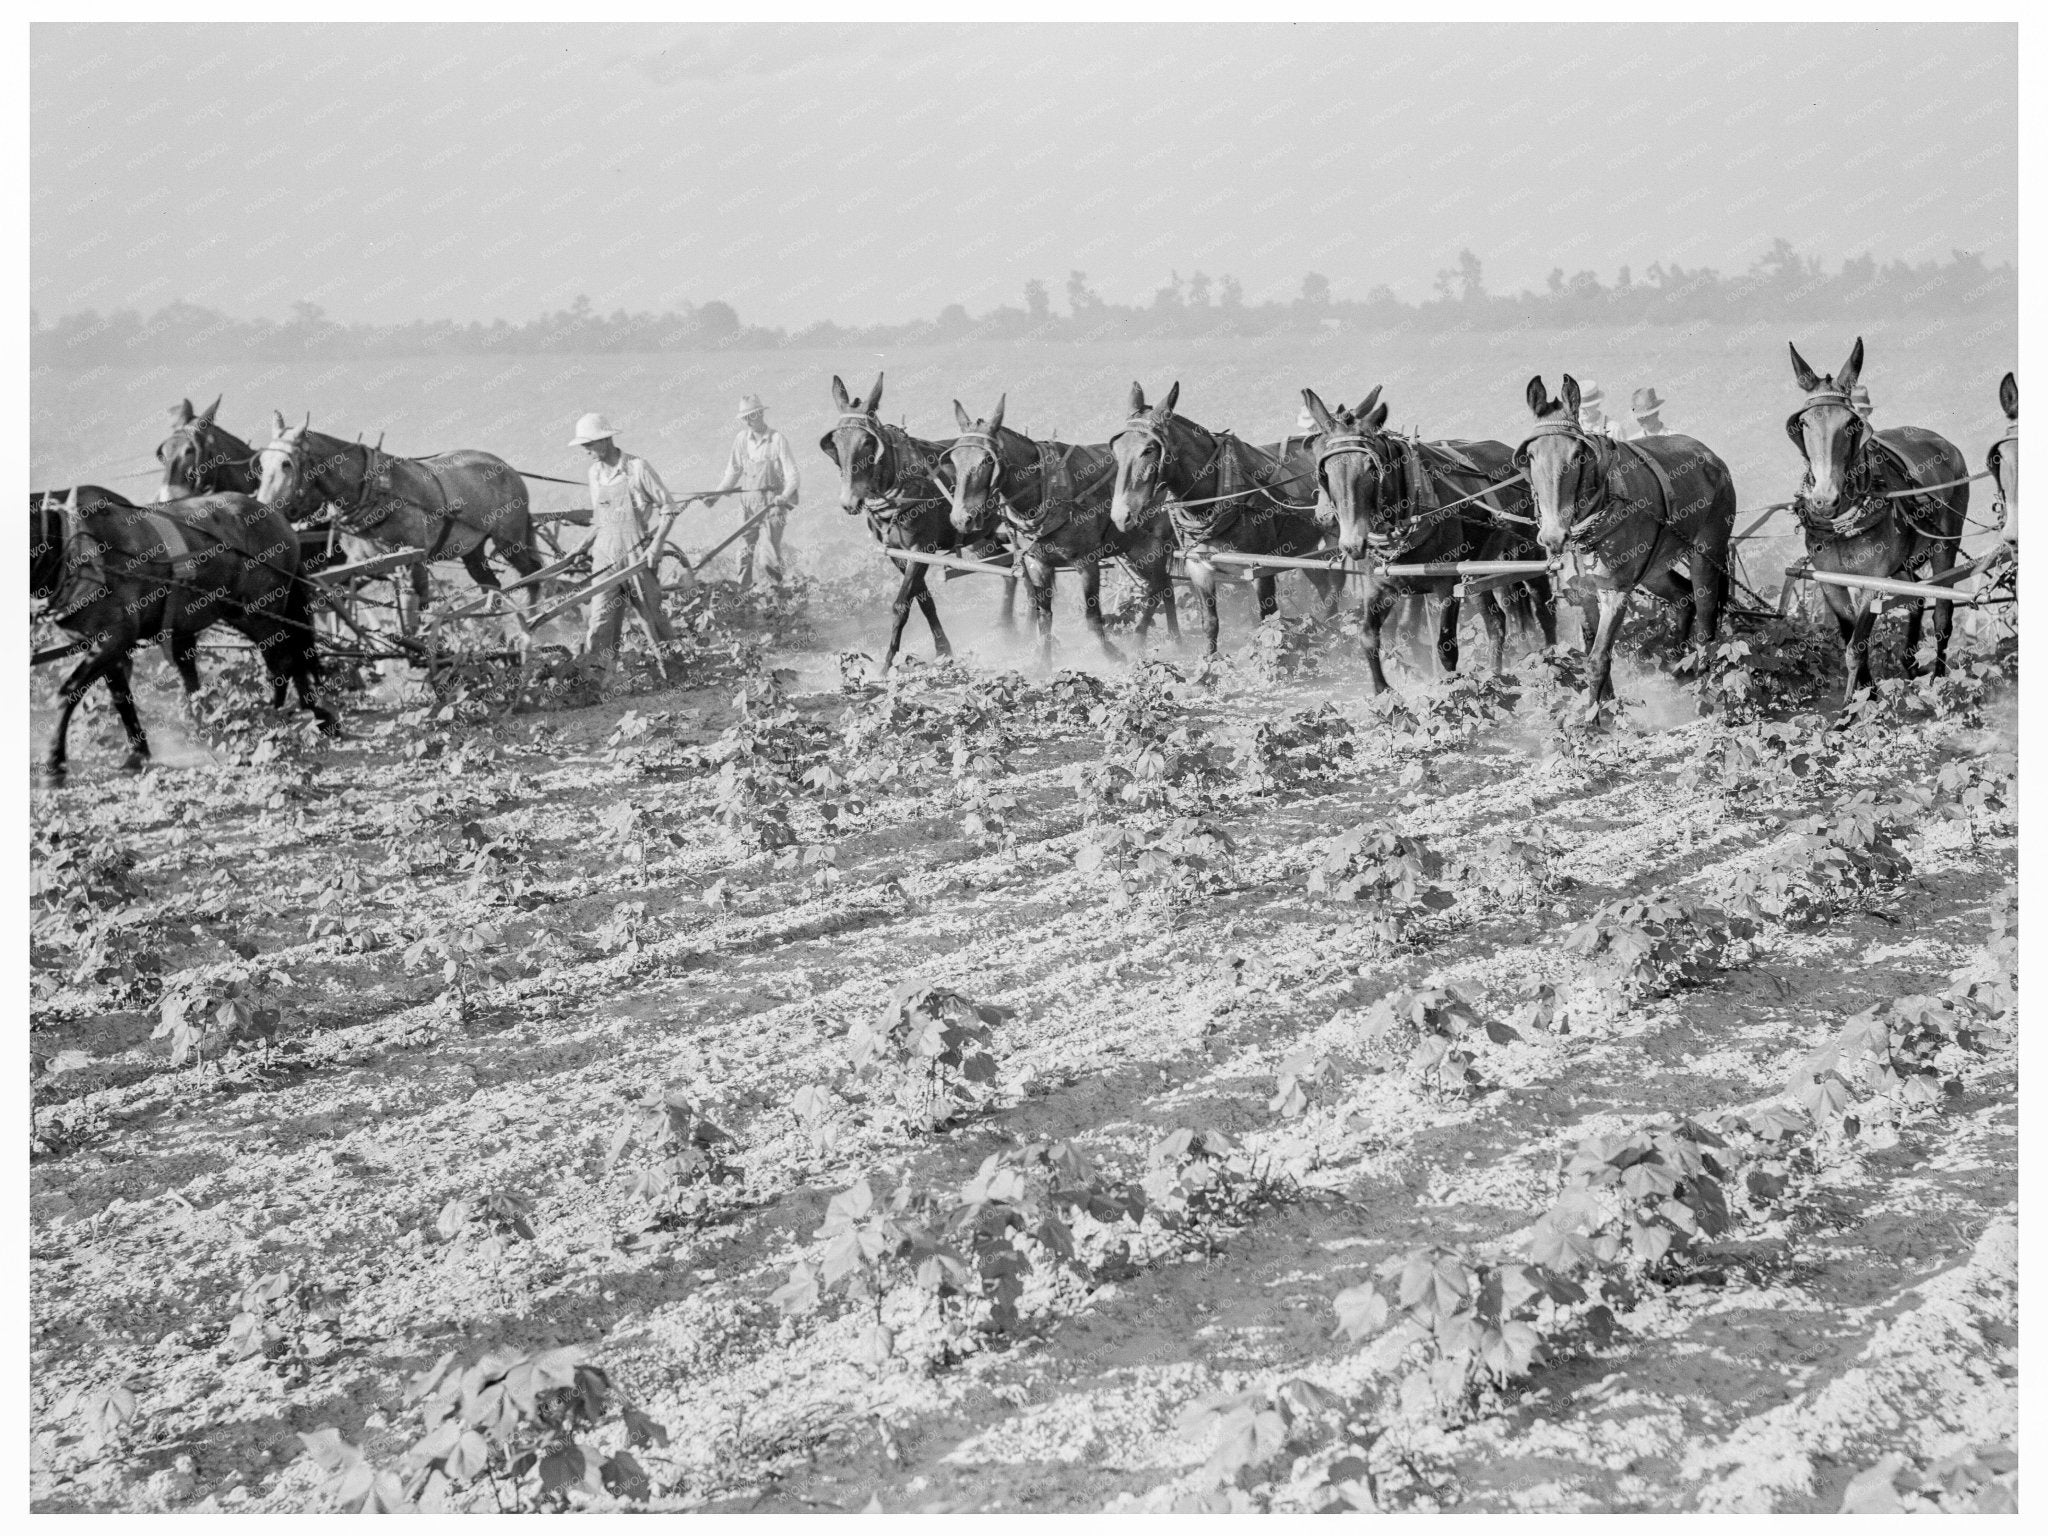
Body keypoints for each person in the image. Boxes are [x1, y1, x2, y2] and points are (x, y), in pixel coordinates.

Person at [569, 411, 682, 689]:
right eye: (584, 445)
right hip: (605, 555)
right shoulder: (594, 473)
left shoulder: (637, 468)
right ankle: (598, 683)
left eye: (590, 444)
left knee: (651, 617)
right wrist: (580, 547)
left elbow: (668, 508)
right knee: (601, 620)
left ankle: (677, 678)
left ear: (606, 440)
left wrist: (656, 546)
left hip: (636, 553)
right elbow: (601, 520)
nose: (585, 450)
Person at [712, 395, 802, 588]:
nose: (747, 421)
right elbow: (733, 471)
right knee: (743, 554)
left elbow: (793, 475)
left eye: (751, 416)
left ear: (761, 414)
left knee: (767, 558)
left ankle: (778, 592)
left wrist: (784, 497)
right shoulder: (741, 440)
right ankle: (743, 595)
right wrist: (717, 494)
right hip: (747, 505)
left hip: (772, 506)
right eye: (744, 418)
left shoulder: (777, 439)